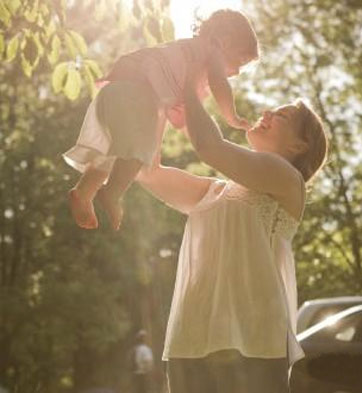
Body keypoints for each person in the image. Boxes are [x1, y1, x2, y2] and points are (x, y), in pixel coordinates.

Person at [136, 63, 329, 392]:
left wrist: (187, 84)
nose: (265, 112)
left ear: (299, 147)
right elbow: (147, 172)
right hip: (192, 341)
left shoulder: (287, 179)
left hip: (251, 343)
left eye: (281, 116)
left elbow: (210, 146)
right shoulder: (214, 191)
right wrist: (160, 106)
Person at [63, 9, 258, 231]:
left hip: (116, 93)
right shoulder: (211, 51)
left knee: (112, 155)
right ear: (225, 41)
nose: (238, 72)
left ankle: (83, 193)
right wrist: (232, 117)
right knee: (139, 153)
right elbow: (218, 83)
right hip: (135, 94)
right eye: (240, 61)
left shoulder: (186, 54)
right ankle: (112, 194)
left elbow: (185, 116)